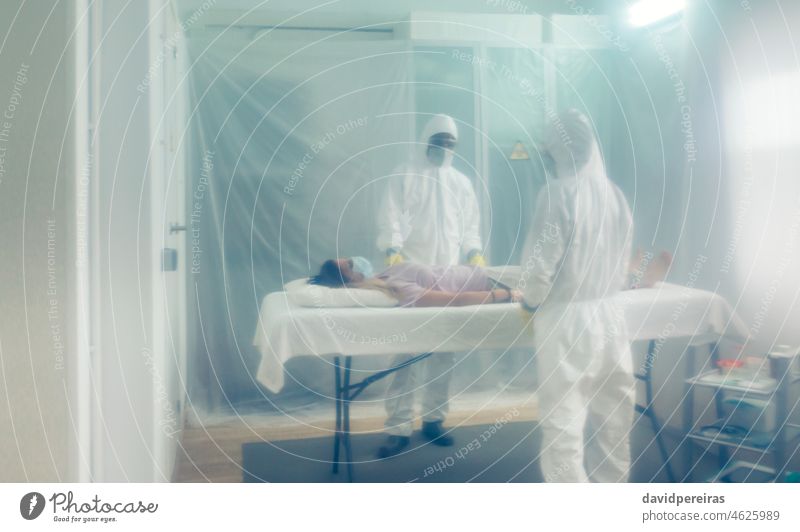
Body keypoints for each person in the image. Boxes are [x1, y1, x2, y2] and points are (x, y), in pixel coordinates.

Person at [519, 109, 635, 482]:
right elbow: (623, 260)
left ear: (558, 149)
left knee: (564, 419)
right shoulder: (613, 193)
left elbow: (540, 265)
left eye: (549, 150)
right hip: (611, 315)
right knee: (614, 414)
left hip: (567, 319)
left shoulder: (557, 193)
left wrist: (529, 302)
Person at [374, 114, 486, 457]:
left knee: (445, 350)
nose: (444, 148)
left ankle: (434, 419)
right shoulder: (404, 175)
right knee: (407, 352)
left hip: (450, 274)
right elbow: (389, 214)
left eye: (450, 144)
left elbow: (470, 226)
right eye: (439, 142)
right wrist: (392, 249)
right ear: (426, 140)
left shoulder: (461, 182)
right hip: (411, 275)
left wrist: (474, 252)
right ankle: (398, 426)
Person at [310, 258, 520, 307]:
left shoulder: (386, 274)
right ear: (351, 280)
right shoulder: (397, 289)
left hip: (488, 273)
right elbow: (454, 301)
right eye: (350, 265)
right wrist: (508, 294)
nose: (355, 261)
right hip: (495, 284)